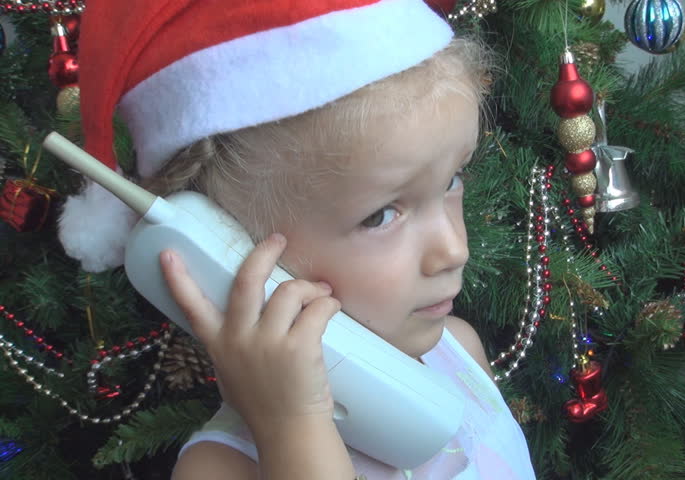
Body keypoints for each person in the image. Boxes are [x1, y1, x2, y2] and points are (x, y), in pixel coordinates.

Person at [58, 0, 536, 478]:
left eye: (452, 179)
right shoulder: (222, 466)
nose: (455, 249)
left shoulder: (458, 351)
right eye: (380, 216)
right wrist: (292, 431)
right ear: (229, 252)